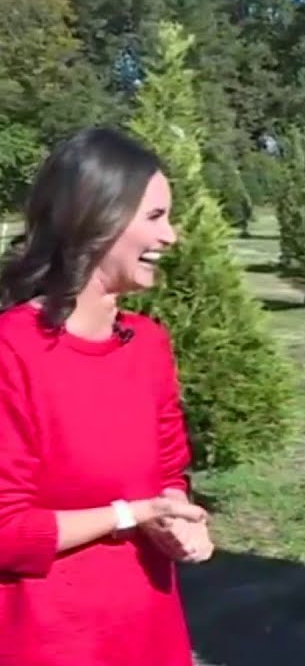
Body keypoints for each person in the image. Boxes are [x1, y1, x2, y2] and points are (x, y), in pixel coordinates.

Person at [0, 127, 215, 666]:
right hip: (45, 645)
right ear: (96, 219)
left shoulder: (149, 347)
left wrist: (181, 520)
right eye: (155, 217)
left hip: (148, 635)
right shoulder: (12, 351)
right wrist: (129, 513)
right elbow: (6, 530)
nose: (172, 236)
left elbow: (170, 471)